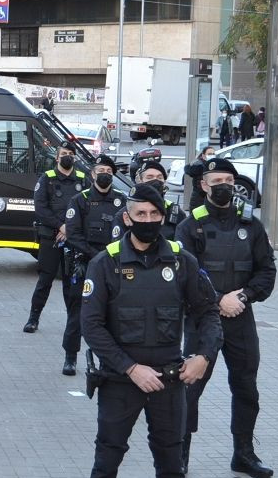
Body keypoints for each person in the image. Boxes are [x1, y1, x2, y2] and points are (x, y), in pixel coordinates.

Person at [80, 183, 220, 478]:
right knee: (107, 461)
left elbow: (208, 312)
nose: (146, 221)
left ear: (163, 217)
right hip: (122, 381)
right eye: (139, 214)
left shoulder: (180, 260)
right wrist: (129, 368)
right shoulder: (105, 262)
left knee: (171, 462)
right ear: (126, 218)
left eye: (153, 215)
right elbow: (91, 326)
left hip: (169, 381)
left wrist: (203, 357)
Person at [178, 157, 277, 478]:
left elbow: (266, 272)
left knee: (246, 387)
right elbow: (186, 276)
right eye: (216, 181)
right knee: (190, 387)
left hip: (241, 319)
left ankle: (243, 454)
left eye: (229, 182)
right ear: (203, 185)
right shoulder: (190, 226)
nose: (223, 187)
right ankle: (180, 454)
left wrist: (243, 297)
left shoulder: (251, 225)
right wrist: (219, 300)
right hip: (203, 320)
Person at [61, 155, 125, 376]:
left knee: (113, 314)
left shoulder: (121, 201)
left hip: (113, 265)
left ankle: (112, 361)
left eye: (108, 170)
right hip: (85, 264)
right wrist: (96, 255)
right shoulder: (80, 200)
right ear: (92, 174)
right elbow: (73, 234)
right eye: (101, 170)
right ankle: (70, 357)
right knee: (77, 313)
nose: (105, 174)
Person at [24, 142, 86, 333]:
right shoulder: (47, 178)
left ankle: (73, 323)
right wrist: (61, 226)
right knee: (45, 280)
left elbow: (87, 207)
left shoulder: (83, 179)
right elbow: (41, 208)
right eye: (64, 153)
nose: (68, 156)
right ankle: (33, 319)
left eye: (71, 154)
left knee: (71, 284)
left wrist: (69, 229)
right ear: (57, 158)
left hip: (74, 240)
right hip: (51, 238)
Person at [128, 160, 183, 240]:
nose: (155, 180)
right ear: (140, 180)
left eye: (159, 177)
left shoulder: (176, 213)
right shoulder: (128, 211)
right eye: (149, 177)